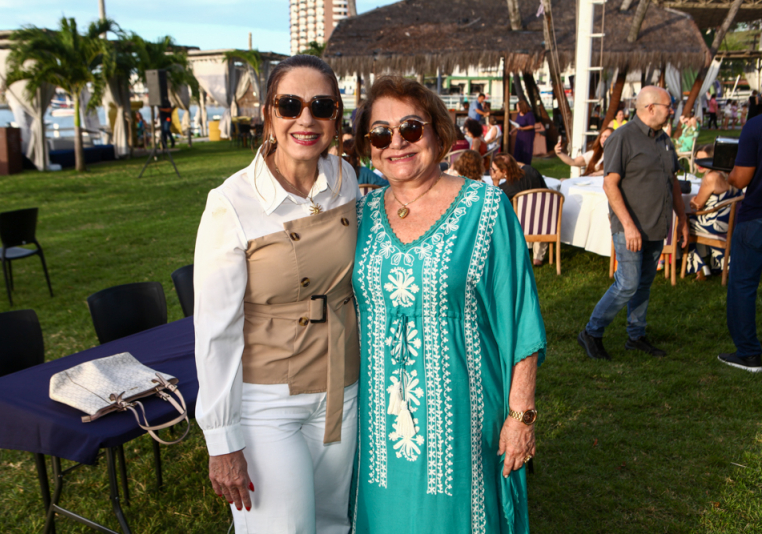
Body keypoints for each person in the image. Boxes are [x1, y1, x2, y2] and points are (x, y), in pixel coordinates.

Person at [352, 76, 546, 534]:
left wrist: (520, 415)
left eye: (411, 128)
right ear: (369, 146)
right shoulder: (359, 214)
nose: (396, 142)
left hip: (465, 419)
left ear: (438, 134)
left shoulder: (486, 208)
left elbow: (519, 318)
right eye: (381, 133)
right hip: (378, 421)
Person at [193, 54, 361, 532]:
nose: (304, 119)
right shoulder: (231, 203)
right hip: (267, 400)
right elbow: (215, 331)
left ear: (336, 117)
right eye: (290, 105)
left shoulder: (345, 179)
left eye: (321, 106)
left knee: (334, 522)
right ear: (268, 113)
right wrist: (222, 439)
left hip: (342, 385)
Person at [578, 86, 689, 360]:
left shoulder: (664, 140)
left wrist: (683, 219)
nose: (672, 110)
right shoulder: (623, 137)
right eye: (668, 105)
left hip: (656, 225)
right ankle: (592, 332)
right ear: (650, 108)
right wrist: (628, 225)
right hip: (630, 226)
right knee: (627, 283)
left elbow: (673, 182)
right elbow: (609, 184)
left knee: (643, 284)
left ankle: (636, 336)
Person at [720, 113, 762, 372]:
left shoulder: (756, 126)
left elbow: (741, 178)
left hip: (756, 217)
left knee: (743, 286)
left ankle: (748, 354)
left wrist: (730, 174)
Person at [684, 169, 742, 280]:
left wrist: (692, 200)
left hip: (715, 225)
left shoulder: (712, 177)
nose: (698, 165)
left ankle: (699, 266)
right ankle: (723, 265)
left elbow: (698, 205)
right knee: (694, 220)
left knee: (683, 226)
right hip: (732, 222)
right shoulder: (736, 174)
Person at [493, 153, 549, 266]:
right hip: (545, 220)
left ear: (504, 171)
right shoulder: (530, 170)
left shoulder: (506, 188)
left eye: (494, 170)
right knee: (537, 212)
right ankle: (538, 257)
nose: (493, 172)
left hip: (522, 224)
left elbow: (494, 203)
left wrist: (495, 184)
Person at [511, 99, 536, 165]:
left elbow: (531, 126)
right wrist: (512, 131)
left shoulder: (529, 115)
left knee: (526, 150)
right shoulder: (519, 114)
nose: (517, 108)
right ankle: (518, 164)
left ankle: (526, 165)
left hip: (527, 136)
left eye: (518, 107)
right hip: (520, 135)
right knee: (518, 150)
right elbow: (517, 124)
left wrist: (523, 128)